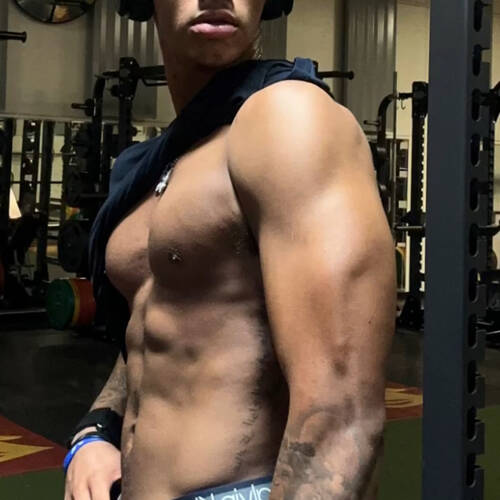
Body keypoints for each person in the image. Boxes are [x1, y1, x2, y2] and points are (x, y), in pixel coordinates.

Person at [64, 0, 396, 499]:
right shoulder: (152, 164)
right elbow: (160, 328)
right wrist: (97, 429)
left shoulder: (288, 118)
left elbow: (340, 415)